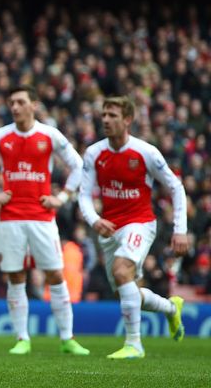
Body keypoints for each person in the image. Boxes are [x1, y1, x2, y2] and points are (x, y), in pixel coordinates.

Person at [0, 85, 89, 356]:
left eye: (21, 102)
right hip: (10, 217)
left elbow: (79, 165)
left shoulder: (49, 135)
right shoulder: (1, 136)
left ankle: (67, 338)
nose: (15, 107)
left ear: (34, 105)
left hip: (42, 217)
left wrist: (63, 196)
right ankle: (22, 338)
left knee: (56, 274)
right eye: (12, 102)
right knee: (15, 276)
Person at [78, 96, 187, 359]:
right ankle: (172, 309)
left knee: (120, 270)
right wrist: (95, 220)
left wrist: (180, 229)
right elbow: (83, 195)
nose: (105, 119)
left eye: (112, 115)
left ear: (127, 120)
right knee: (130, 292)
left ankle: (134, 345)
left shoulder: (146, 152)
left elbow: (176, 186)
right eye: (104, 114)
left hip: (140, 223)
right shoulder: (94, 153)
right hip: (109, 230)